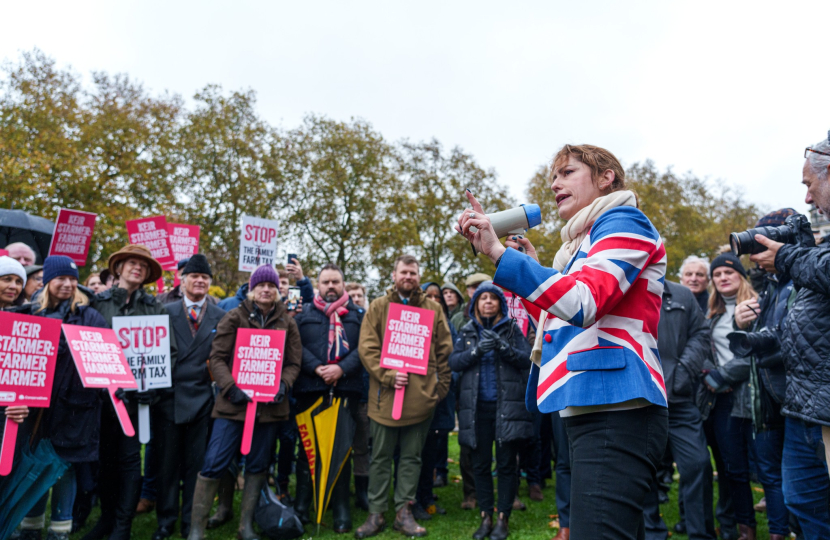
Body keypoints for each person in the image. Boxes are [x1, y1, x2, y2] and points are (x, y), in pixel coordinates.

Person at [458, 143, 669, 538]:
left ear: (607, 178)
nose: (554, 183)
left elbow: (583, 302)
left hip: (617, 406)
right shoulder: (579, 246)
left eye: (567, 172)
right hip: (593, 403)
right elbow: (557, 325)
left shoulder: (624, 221)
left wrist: (502, 254)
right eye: (553, 176)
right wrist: (528, 268)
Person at [750, 136, 830, 538]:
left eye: (808, 184)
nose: (809, 198)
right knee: (804, 503)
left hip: (825, 406)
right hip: (805, 403)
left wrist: (785, 256)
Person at [189, 264, 302, 540]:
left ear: (277, 291)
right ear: (252, 289)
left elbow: (293, 362)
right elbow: (217, 357)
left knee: (258, 465)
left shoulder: (287, 321)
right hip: (232, 407)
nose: (266, 290)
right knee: (215, 462)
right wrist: (230, 387)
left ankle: (246, 526)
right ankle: (197, 529)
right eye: (261, 285)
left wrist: (283, 384)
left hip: (269, 409)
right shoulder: (234, 317)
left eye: (272, 286)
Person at [355, 255, 452, 539]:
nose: (408, 277)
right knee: (381, 457)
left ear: (418, 275)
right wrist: (387, 375)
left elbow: (444, 352)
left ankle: (403, 512)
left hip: (421, 401)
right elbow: (367, 348)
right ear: (394, 275)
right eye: (403, 272)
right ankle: (376, 514)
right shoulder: (378, 307)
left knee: (412, 458)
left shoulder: (433, 309)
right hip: (384, 398)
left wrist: (438, 389)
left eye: (413, 272)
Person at [85, 244, 178, 540]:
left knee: (128, 461)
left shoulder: (155, 307)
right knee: (103, 461)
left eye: (143, 265)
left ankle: (122, 528)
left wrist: (153, 388)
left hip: (137, 402)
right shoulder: (97, 304)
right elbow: (86, 344)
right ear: (119, 268)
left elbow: (169, 353)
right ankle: (106, 519)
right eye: (132, 263)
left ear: (148, 274)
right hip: (103, 400)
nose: (137, 268)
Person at [14, 256, 108, 540]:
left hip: (76, 409)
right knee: (36, 464)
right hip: (36, 408)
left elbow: (104, 359)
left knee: (64, 468)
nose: (67, 284)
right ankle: (30, 525)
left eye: (72, 279)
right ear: (47, 282)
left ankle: (60, 529)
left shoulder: (90, 316)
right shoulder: (30, 313)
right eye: (60, 279)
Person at [450, 282, 532, 540]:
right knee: (481, 465)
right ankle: (486, 517)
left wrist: (504, 348)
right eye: (482, 298)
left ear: (500, 304)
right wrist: (476, 351)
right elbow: (454, 362)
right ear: (475, 304)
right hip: (476, 411)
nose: (487, 301)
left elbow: (527, 358)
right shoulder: (466, 331)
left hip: (505, 409)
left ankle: (502, 519)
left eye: (492, 298)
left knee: (507, 465)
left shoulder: (511, 329)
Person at [153, 255, 226, 540]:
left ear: (209, 283)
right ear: (182, 281)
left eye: (204, 278)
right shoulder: (164, 311)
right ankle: (165, 521)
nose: (199, 281)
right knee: (167, 465)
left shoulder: (221, 316)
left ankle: (190, 521)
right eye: (194, 276)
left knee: (196, 466)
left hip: (203, 402)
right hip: (169, 400)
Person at [292, 263, 366, 533]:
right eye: (326, 282)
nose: (331, 286)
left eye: (336, 282)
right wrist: (316, 368)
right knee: (307, 452)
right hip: (310, 390)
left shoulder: (359, 315)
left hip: (346, 390)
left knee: (342, 451)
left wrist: (341, 368)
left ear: (343, 284)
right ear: (318, 285)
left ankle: (341, 507)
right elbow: (295, 346)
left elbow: (365, 348)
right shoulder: (303, 314)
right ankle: (303, 506)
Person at [642, 280, 714, 540]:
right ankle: (651, 532)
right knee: (643, 469)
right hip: (640, 399)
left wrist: (682, 374)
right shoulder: (621, 286)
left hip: (679, 399)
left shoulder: (682, 294)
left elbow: (701, 334)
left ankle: (701, 533)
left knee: (698, 464)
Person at [697, 254, 759, 539]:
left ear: (741, 275)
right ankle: (736, 525)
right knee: (727, 465)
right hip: (719, 400)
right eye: (717, 274)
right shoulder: (713, 314)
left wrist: (723, 375)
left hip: (750, 398)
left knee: (753, 467)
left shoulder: (758, 306)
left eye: (728, 272)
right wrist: (710, 373)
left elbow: (757, 354)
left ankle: (763, 527)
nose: (722, 277)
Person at [412, 282, 457, 520]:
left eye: (437, 296)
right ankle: (411, 500)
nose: (434, 300)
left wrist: (443, 386)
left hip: (438, 399)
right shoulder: (411, 321)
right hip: (413, 399)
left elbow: (455, 359)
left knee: (430, 452)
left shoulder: (448, 326)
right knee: (411, 454)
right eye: (428, 296)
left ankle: (427, 498)